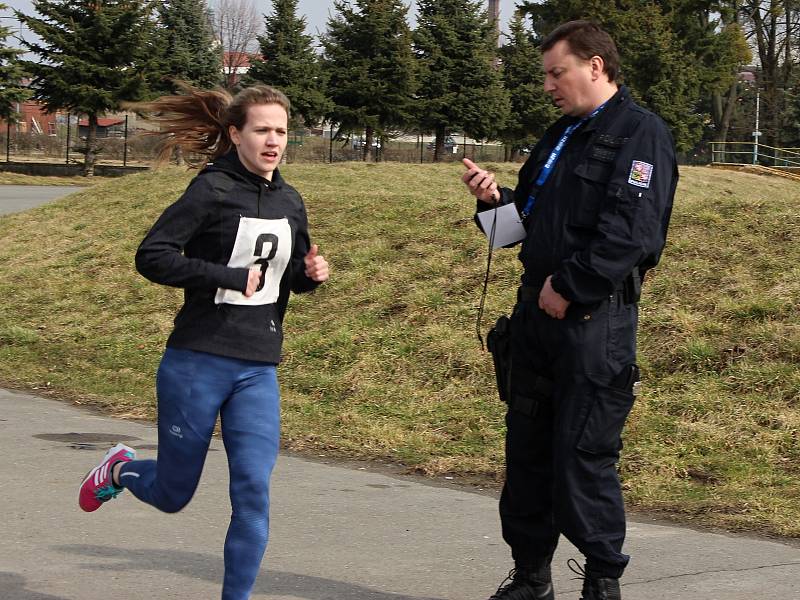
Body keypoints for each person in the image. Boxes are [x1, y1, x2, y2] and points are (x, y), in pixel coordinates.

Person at [77, 84, 329, 600]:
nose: (273, 140)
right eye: (262, 129)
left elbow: (287, 280)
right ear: (235, 134)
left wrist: (310, 274)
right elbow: (153, 255)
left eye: (281, 131)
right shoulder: (210, 190)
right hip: (197, 361)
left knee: (253, 494)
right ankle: (121, 471)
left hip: (258, 366)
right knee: (173, 495)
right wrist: (225, 276)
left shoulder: (290, 199)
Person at [461, 21, 677, 600]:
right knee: (527, 453)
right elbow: (518, 231)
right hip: (534, 320)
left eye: (558, 73)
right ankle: (532, 580)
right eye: (547, 76)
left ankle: (601, 581)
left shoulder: (639, 135)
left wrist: (572, 285)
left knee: (583, 455)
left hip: (592, 324)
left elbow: (632, 232)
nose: (550, 86)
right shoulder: (560, 135)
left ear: (596, 67)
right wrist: (493, 203)